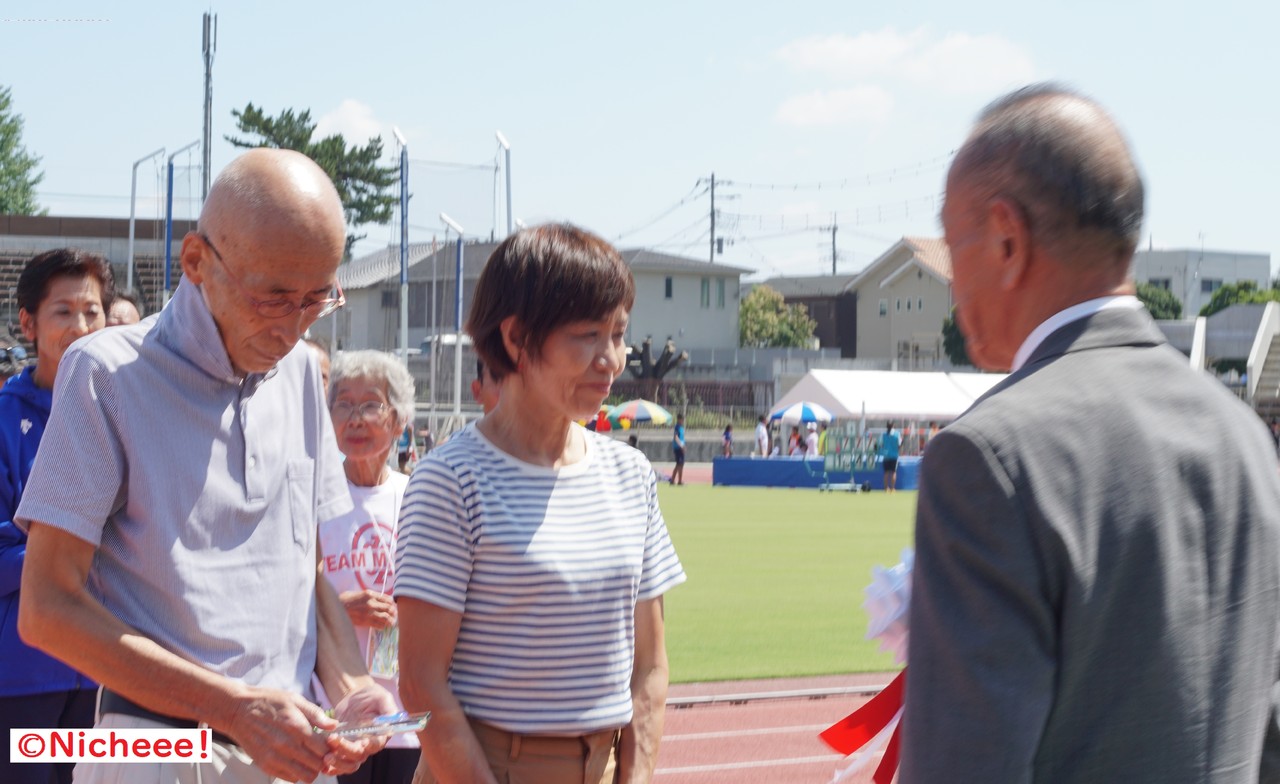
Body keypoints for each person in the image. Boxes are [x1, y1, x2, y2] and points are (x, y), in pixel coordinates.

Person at [901, 84, 1280, 783]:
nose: (954, 287)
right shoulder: (1245, 437)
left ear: (1007, 239)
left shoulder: (991, 454)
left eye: (956, 250)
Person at [15, 148, 396, 784]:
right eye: (273, 298)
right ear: (196, 261)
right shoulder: (107, 373)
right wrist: (233, 708)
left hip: (290, 742)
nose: (292, 328)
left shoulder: (302, 373)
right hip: (155, 748)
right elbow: (47, 607)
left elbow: (303, 572)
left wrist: (352, 686)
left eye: (316, 299)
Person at [395, 223, 686, 784]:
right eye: (588, 335)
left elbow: (649, 665)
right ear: (516, 338)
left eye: (618, 334)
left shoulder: (631, 476)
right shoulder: (451, 481)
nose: (611, 359)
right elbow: (420, 683)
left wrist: (634, 776)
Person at [0, 248, 113, 784]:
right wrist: (77, 551)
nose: (81, 327)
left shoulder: (127, 414)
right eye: (63, 312)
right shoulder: (4, 421)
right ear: (28, 324)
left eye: (92, 311)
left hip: (115, 673)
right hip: (23, 680)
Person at [319, 351, 419, 784]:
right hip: (333, 713)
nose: (355, 418)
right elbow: (278, 603)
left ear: (399, 421)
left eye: (371, 404)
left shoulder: (420, 497)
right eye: (343, 404)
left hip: (406, 715)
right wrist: (341, 609)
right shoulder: (312, 499)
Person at [879, 422, 900, 492]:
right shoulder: (897, 434)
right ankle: (892, 488)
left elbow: (880, 444)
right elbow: (899, 444)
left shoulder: (883, 434)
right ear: (893, 425)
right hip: (894, 456)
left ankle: (886, 488)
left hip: (886, 456)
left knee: (886, 472)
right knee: (893, 472)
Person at [671, 412, 686, 485]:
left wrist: (683, 446)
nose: (683, 421)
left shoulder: (681, 428)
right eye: (682, 419)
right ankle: (674, 480)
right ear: (679, 419)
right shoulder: (677, 427)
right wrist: (681, 446)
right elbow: (676, 437)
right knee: (678, 464)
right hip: (678, 448)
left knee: (681, 464)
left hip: (681, 448)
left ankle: (678, 480)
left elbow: (682, 438)